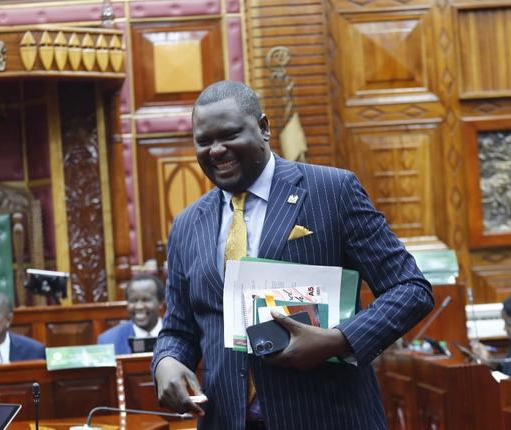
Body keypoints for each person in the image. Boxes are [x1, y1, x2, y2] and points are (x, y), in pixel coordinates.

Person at [151, 80, 433, 429]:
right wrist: (166, 361)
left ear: (265, 128)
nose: (217, 150)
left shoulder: (332, 191)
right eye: (204, 141)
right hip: (227, 420)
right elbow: (179, 329)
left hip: (328, 416)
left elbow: (411, 288)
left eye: (229, 135)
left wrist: (338, 340)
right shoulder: (187, 225)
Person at [98, 274, 165, 354]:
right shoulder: (108, 341)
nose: (139, 307)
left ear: (161, 302)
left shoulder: (178, 334)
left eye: (146, 300)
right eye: (133, 301)